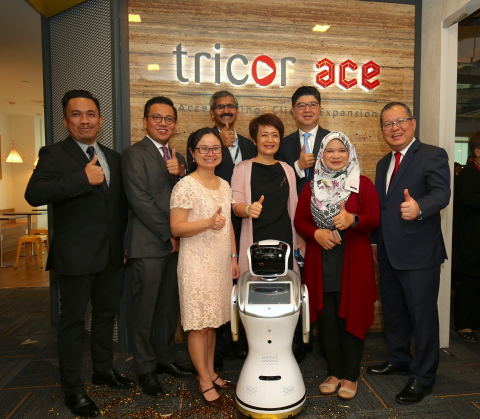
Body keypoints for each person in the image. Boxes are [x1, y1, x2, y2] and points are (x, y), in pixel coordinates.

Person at [25, 90, 134, 418]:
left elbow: (119, 207)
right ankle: (73, 389)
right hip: (75, 256)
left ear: (100, 120)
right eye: (77, 114)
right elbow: (34, 194)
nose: (85, 120)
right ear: (65, 120)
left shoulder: (113, 157)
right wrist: (80, 179)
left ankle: (103, 370)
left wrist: (124, 245)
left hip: (112, 256)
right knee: (72, 324)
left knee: (105, 317)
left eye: (90, 114)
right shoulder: (54, 155)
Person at [367, 102, 450, 405]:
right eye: (387, 124)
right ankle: (399, 358)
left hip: (419, 254)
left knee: (422, 317)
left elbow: (442, 193)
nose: (394, 128)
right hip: (388, 252)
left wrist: (419, 208)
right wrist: (375, 243)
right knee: (394, 312)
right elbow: (381, 207)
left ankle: (423, 377)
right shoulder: (382, 164)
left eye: (399, 121)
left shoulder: (432, 154)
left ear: (412, 124)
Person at [294, 132, 380, 400]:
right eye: (329, 151)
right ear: (321, 155)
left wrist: (352, 219)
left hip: (353, 261)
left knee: (350, 315)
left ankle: (351, 375)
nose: (335, 155)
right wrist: (316, 234)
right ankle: (334, 372)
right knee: (328, 319)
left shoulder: (362, 185)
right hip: (321, 262)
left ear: (350, 154)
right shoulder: (310, 188)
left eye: (341, 150)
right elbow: (300, 221)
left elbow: (374, 220)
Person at [121, 96, 193, 398]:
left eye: (168, 119)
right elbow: (141, 201)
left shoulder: (177, 158)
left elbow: (189, 194)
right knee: (145, 310)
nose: (163, 123)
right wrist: (170, 233)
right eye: (156, 117)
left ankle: (165, 359)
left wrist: (182, 173)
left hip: (174, 245)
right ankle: (145, 368)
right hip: (148, 244)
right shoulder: (133, 154)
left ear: (175, 124)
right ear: (145, 121)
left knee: (168, 307)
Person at [170, 127, 240, 408]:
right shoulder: (185, 185)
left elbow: (229, 227)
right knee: (198, 326)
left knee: (212, 323)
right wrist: (207, 223)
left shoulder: (224, 184)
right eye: (204, 148)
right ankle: (203, 379)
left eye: (215, 149)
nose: (210, 153)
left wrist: (234, 257)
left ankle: (211, 371)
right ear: (193, 152)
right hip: (196, 265)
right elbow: (176, 227)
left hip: (220, 263)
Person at [186, 90, 256, 363]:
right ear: (212, 112)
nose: (226, 110)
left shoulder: (249, 145)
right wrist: (222, 148)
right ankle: (216, 354)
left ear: (237, 110)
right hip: (211, 228)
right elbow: (203, 176)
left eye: (230, 106)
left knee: (237, 285)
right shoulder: (205, 142)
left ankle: (239, 343)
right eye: (220, 107)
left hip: (245, 222)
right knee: (214, 291)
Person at [231, 113, 301, 275]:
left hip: (285, 240)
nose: (270, 140)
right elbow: (236, 206)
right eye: (264, 135)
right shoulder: (242, 168)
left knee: (284, 289)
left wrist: (300, 240)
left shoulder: (287, 169)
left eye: (275, 135)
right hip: (254, 239)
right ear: (255, 140)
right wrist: (248, 209)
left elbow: (294, 209)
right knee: (255, 290)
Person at [276, 85, 330, 195]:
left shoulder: (333, 140)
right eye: (301, 106)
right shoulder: (282, 144)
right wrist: (298, 167)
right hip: (294, 207)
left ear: (320, 108)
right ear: (293, 111)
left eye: (312, 105)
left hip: (326, 206)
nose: (307, 110)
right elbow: (277, 180)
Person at [452, 132, 480, 342]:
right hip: (471, 241)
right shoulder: (470, 173)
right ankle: (464, 325)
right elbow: (469, 200)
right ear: (477, 152)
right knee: (469, 284)